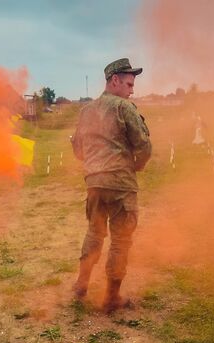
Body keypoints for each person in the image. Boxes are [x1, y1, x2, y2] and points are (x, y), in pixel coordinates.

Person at [70, 58, 152, 312]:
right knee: (120, 240)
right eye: (128, 83)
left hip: (93, 182)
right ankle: (111, 298)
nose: (132, 89)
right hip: (120, 184)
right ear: (114, 80)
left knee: (94, 232)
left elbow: (78, 149)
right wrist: (136, 165)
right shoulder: (123, 107)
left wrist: (94, 164)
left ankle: (81, 284)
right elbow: (144, 146)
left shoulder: (85, 111)